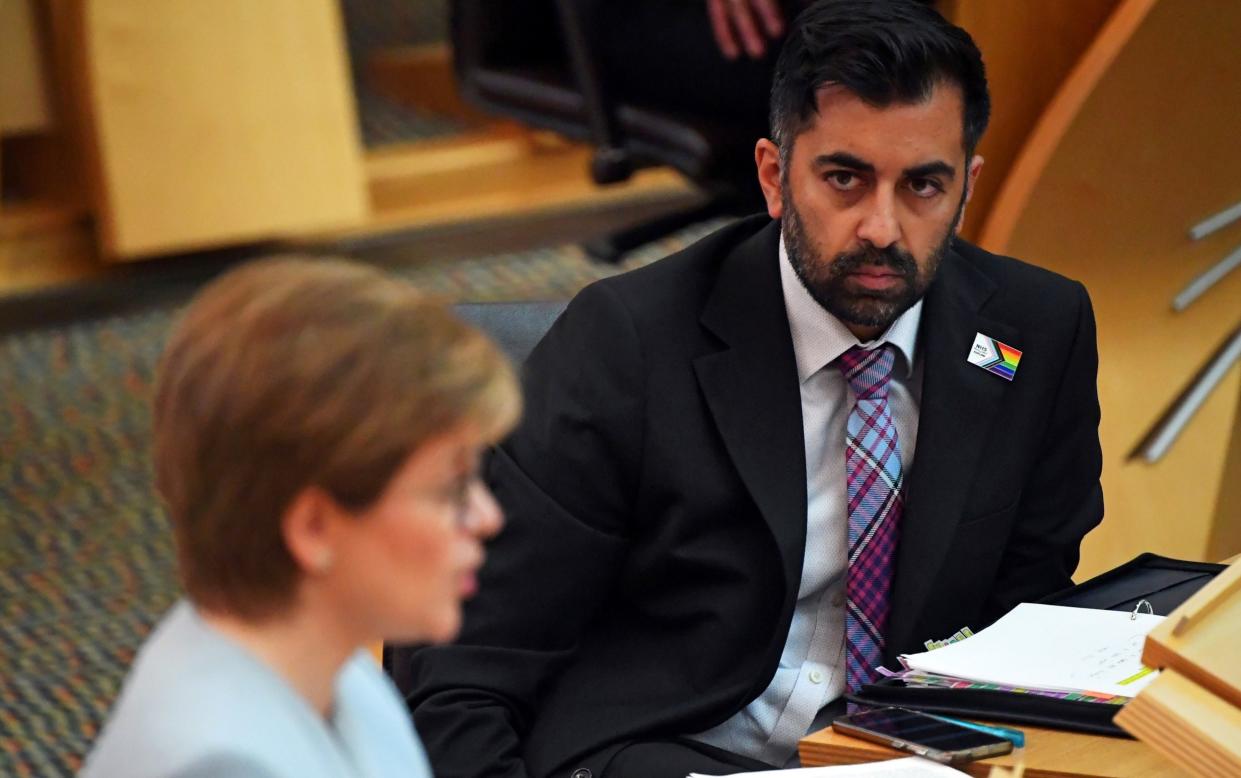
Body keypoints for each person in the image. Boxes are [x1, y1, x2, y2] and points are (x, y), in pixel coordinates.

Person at [392, 1, 1103, 776]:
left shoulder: (1036, 328)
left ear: (966, 185)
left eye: (922, 187)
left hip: (908, 754)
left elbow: (1026, 613)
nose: (880, 227)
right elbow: (463, 663)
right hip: (676, 750)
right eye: (843, 178)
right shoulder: (628, 343)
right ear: (773, 176)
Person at [81, 258, 520, 778]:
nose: (488, 517)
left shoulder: (336, 667)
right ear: (313, 528)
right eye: (450, 490)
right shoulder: (226, 761)